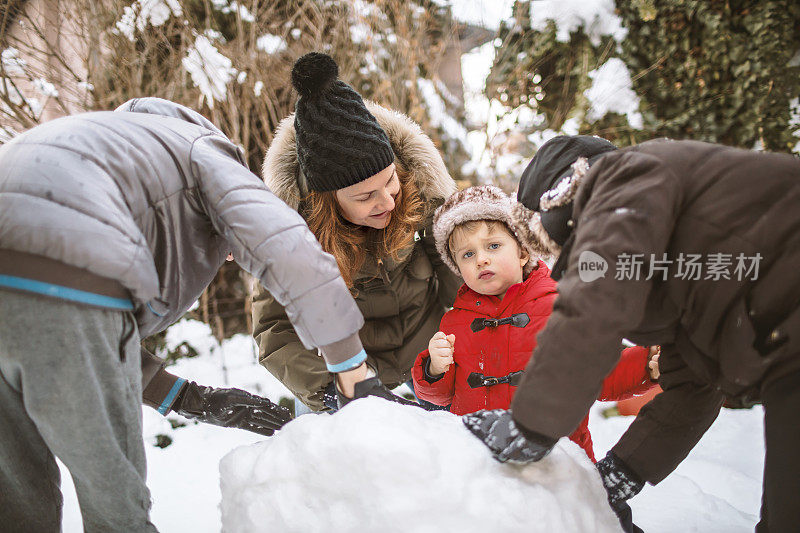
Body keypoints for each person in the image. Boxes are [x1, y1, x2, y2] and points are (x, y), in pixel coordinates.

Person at [0, 97, 371, 532]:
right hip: (65, 287)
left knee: (17, 499)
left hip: (40, 292)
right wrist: (354, 374)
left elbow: (66, 336)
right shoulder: (200, 149)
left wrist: (189, 398)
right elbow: (289, 249)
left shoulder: (102, 153)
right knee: (114, 503)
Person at [462, 135, 800, 532]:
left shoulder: (623, 179)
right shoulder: (666, 252)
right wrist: (624, 469)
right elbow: (694, 385)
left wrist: (531, 424)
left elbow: (595, 303)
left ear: (556, 200)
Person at [253, 52, 460, 412]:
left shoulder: (418, 189)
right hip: (347, 369)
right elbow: (275, 332)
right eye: (365, 196)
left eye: (390, 181)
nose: (388, 201)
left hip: (428, 355)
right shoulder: (288, 233)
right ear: (327, 201)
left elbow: (457, 271)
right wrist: (333, 388)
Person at [412, 185, 658, 463]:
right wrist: (434, 369)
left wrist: (645, 363)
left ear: (523, 253)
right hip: (479, 464)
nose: (481, 259)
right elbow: (439, 397)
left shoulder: (560, 309)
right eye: (467, 255)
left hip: (554, 463)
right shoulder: (454, 321)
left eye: (493, 246)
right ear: (457, 267)